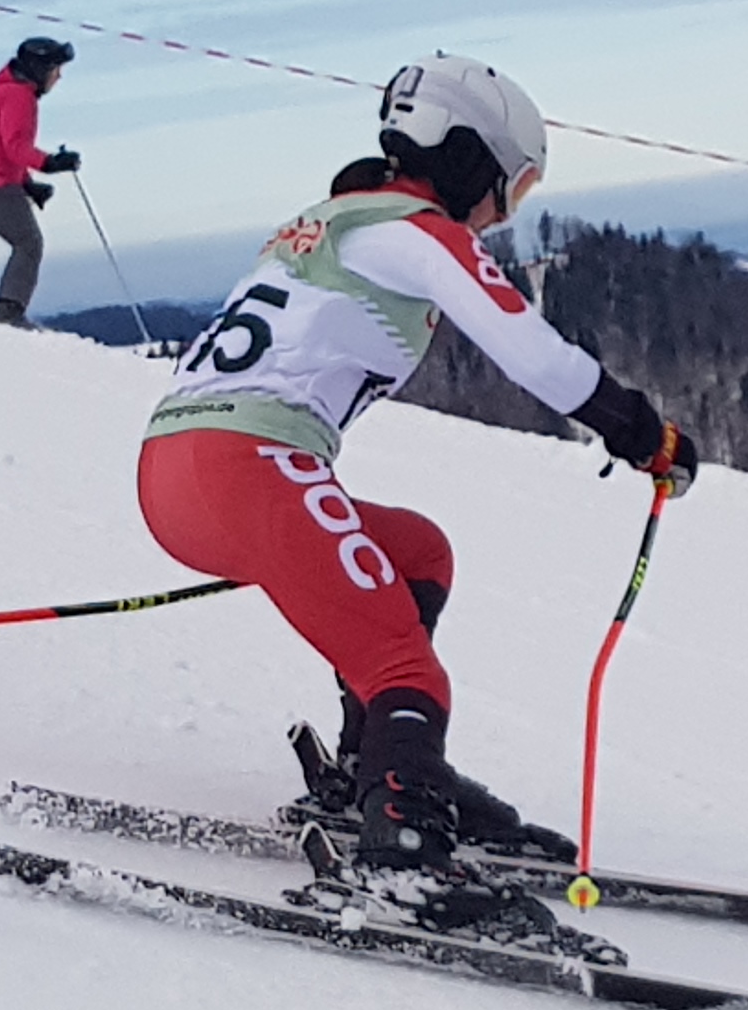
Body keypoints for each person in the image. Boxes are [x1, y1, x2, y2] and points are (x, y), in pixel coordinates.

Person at [136, 54, 698, 925]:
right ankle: (403, 858)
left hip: (178, 469)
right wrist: (643, 434)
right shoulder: (418, 231)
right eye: (511, 187)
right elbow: (536, 356)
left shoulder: (329, 222)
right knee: (406, 669)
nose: (503, 214)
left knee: (417, 552)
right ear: (469, 157)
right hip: (248, 463)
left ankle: (383, 773)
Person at [0, 37, 82, 324]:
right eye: (56, 69)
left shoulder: (10, 92)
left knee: (26, 241)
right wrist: (50, 163)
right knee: (28, 243)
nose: (59, 77)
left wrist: (27, 183)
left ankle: (9, 311)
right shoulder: (18, 96)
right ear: (40, 69)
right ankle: (9, 314)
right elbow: (15, 147)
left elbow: (2, 147)